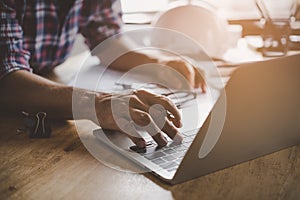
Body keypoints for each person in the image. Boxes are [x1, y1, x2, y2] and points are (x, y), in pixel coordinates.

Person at [0, 0, 205, 148]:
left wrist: (157, 62)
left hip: (45, 86)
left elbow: (107, 40)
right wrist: (96, 102)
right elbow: (6, 80)